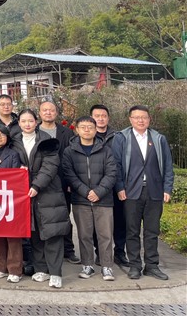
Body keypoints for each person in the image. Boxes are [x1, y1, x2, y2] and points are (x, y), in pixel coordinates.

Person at [113, 105, 174, 281]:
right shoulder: (121, 138)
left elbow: (168, 165)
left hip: (154, 191)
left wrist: (167, 188)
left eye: (144, 117)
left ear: (149, 119)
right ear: (130, 119)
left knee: (152, 231)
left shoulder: (159, 139)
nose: (141, 120)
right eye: (137, 117)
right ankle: (135, 265)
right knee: (131, 231)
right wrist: (120, 187)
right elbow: (116, 165)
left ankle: (152, 266)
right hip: (131, 192)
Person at [13, 108, 69, 289]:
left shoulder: (47, 140)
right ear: (19, 123)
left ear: (36, 122)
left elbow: (50, 166)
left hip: (48, 192)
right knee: (35, 232)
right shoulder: (14, 141)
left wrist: (36, 185)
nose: (27, 124)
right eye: (23, 121)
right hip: (24, 193)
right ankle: (41, 269)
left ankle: (55, 273)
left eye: (30, 121)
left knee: (52, 232)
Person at [62, 115, 117, 282]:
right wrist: (86, 192)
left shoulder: (106, 150)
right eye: (83, 127)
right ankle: (87, 265)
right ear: (77, 130)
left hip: (104, 200)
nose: (87, 130)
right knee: (84, 235)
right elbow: (69, 174)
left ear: (95, 130)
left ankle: (107, 266)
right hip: (81, 200)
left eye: (90, 127)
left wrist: (99, 191)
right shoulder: (69, 151)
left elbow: (112, 173)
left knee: (105, 235)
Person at [38, 100, 78, 264]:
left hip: (62, 182)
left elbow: (72, 158)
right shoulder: (35, 131)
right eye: (45, 110)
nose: (48, 112)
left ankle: (68, 250)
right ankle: (42, 250)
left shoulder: (66, 133)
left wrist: (70, 182)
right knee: (41, 217)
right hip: (40, 183)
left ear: (56, 113)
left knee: (64, 216)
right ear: (39, 113)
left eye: (51, 110)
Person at [91, 103, 128, 267]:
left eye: (103, 116)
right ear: (92, 118)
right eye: (97, 116)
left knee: (120, 220)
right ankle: (100, 253)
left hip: (117, 185)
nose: (100, 119)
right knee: (97, 222)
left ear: (108, 118)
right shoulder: (87, 136)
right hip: (97, 187)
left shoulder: (119, 137)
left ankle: (119, 252)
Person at [0, 123, 23, 283]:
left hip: (9, 197)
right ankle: (1, 266)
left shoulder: (13, 154)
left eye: (2, 134)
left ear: (7, 137)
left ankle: (15, 269)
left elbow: (15, 176)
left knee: (12, 235)